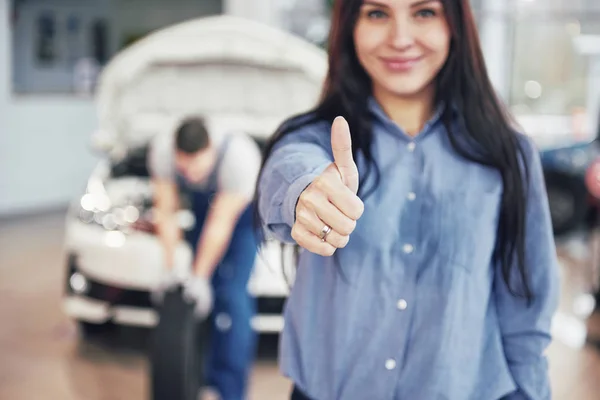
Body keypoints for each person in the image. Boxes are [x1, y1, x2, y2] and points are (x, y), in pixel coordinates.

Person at [255, 0, 560, 399]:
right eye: (377, 13)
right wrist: (305, 193)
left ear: (455, 25)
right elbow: (289, 167)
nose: (400, 39)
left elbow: (526, 307)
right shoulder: (318, 139)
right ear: (350, 27)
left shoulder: (509, 153)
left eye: (424, 12)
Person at [148, 116, 262, 400]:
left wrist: (199, 277)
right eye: (184, 169)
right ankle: (200, 379)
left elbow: (221, 223)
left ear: (211, 150)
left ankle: (228, 389)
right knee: (197, 299)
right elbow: (166, 210)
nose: (190, 176)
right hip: (203, 206)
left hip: (242, 214)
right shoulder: (162, 151)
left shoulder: (240, 158)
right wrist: (171, 266)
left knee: (231, 295)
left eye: (197, 168)